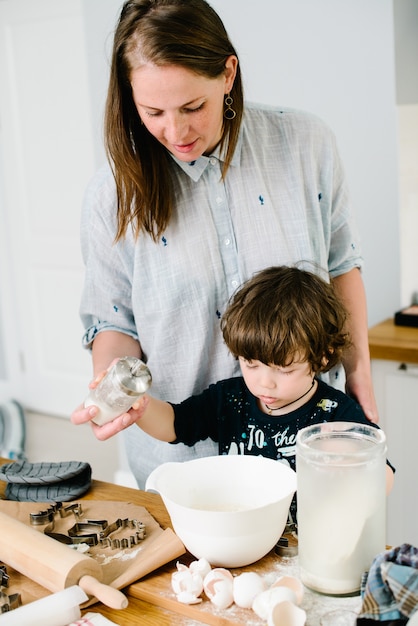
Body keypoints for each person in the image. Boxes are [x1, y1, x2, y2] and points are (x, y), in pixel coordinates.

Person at [71, 0, 378, 489]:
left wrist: (361, 385)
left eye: (194, 107)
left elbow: (342, 268)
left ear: (228, 74)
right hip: (184, 468)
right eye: (153, 112)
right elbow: (112, 320)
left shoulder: (306, 144)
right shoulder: (111, 194)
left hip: (311, 456)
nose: (176, 132)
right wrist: (115, 388)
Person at [117, 265, 395, 520]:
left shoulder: (334, 413)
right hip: (242, 540)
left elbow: (384, 473)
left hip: (306, 551)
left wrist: (350, 472)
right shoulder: (232, 399)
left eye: (284, 370)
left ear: (322, 357)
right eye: (251, 364)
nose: (265, 383)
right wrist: (141, 406)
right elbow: (175, 423)